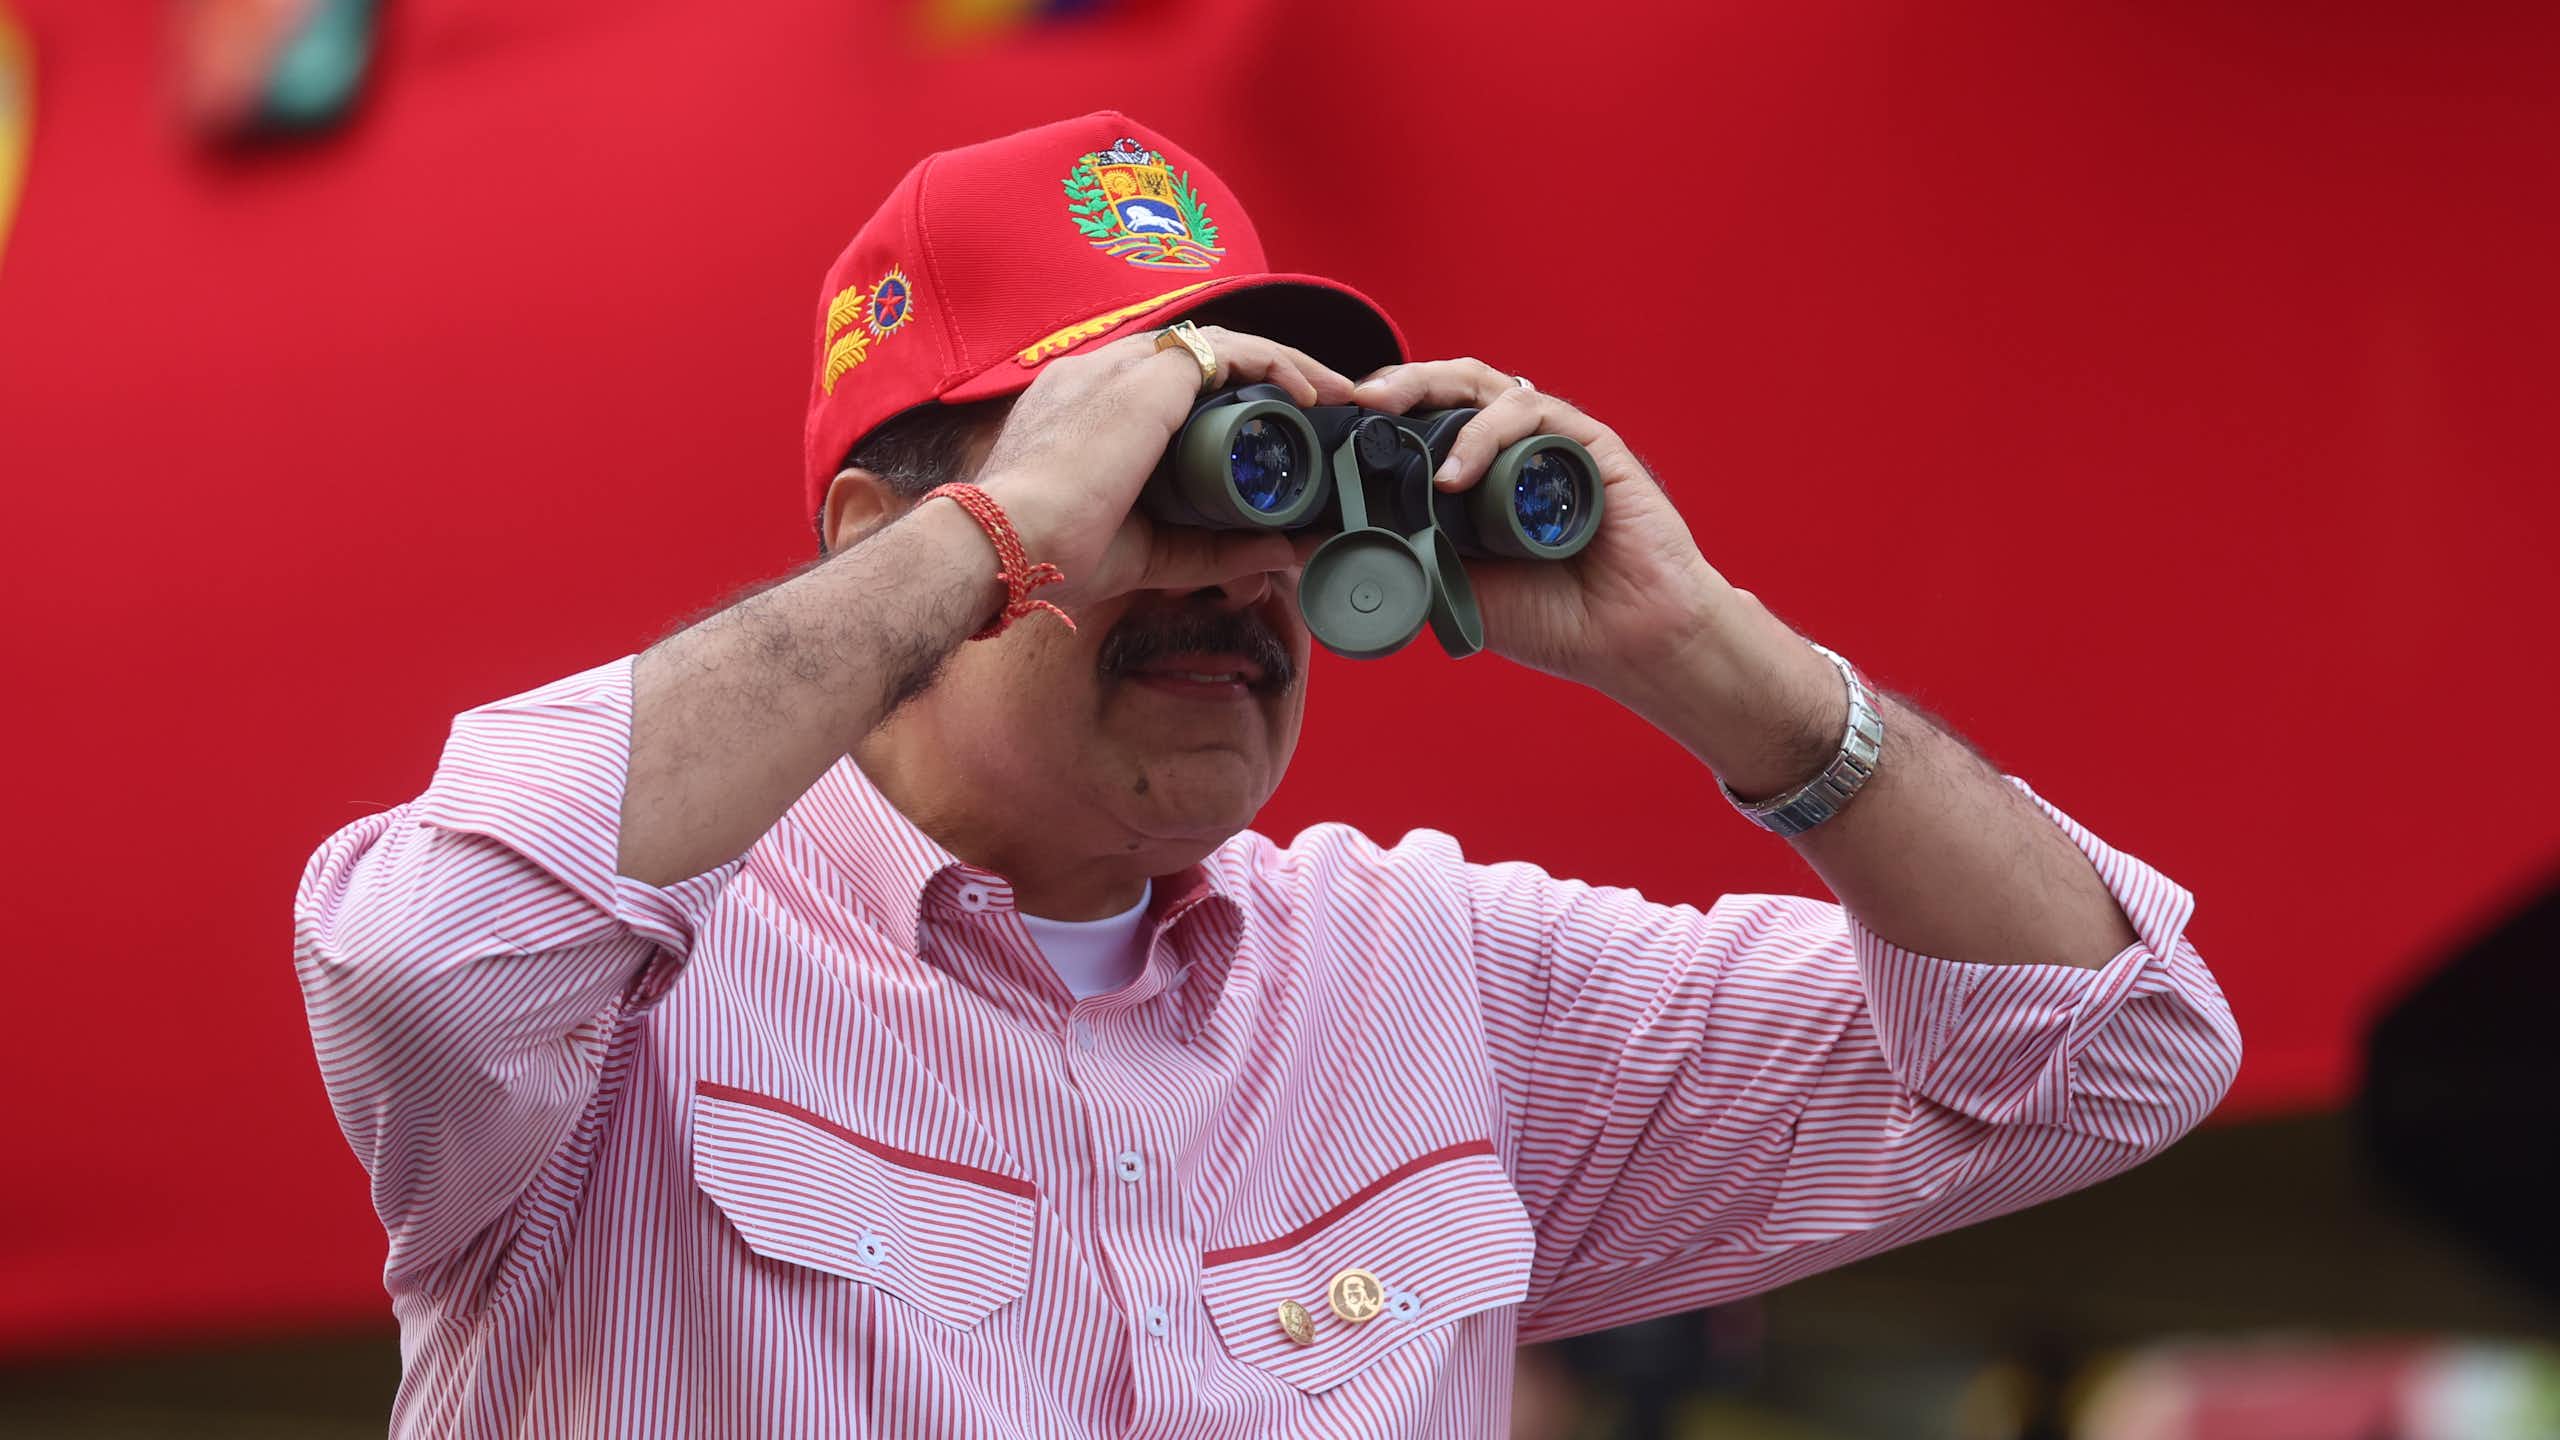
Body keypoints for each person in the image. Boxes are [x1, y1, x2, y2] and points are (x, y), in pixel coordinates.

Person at [294, 110, 2240, 1438]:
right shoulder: (634, 980)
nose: (1240, 568)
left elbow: (2109, 1046)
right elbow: (412, 959)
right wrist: (1003, 537)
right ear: (890, 529)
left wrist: (1704, 653)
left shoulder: (1430, 981)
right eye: (1163, 470)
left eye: (1281, 483)